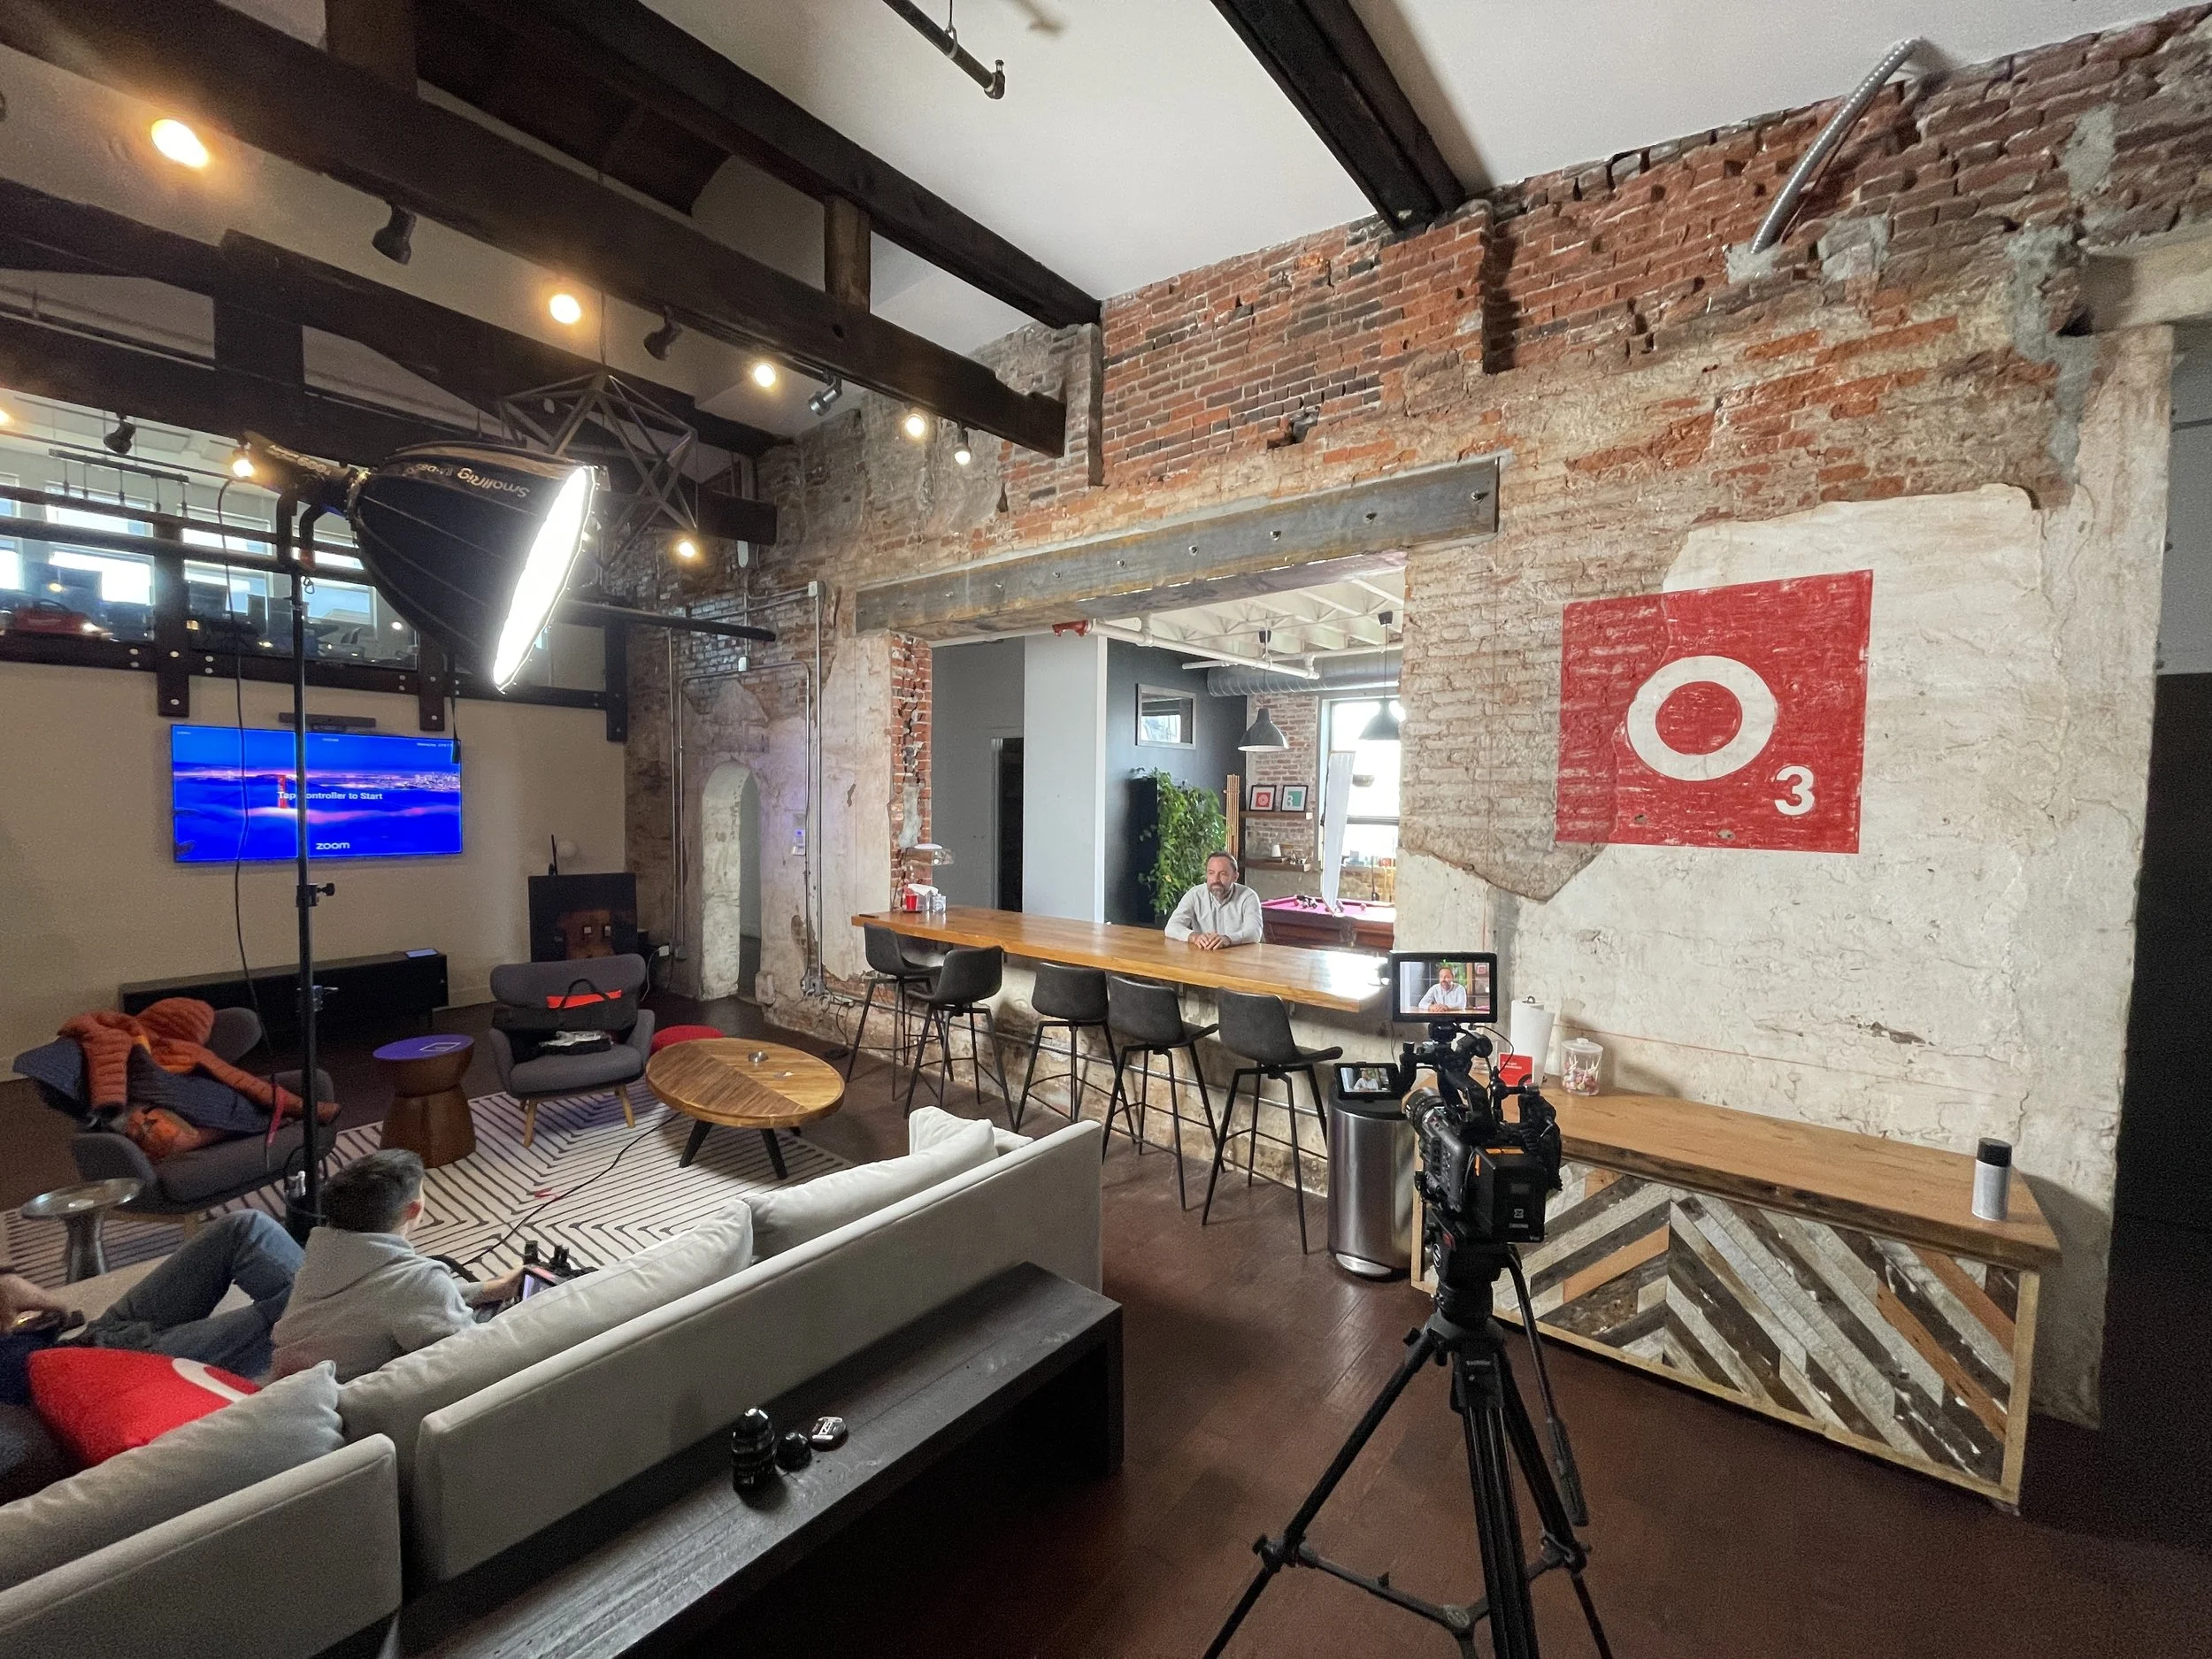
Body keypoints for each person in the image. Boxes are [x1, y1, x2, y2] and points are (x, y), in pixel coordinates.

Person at [0, 1150, 521, 1384]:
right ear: (415, 1210)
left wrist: (478, 1289)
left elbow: (401, 1291)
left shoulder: (355, 1263)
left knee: (246, 1227)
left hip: (88, 1338)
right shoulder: (412, 1287)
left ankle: (99, 1335)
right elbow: (464, 1355)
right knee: (313, 1306)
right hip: (104, 1366)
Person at [1164, 851, 1263, 952]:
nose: (1216, 880)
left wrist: (1228, 939)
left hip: (1237, 959)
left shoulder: (1248, 896)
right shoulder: (1195, 894)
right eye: (1211, 873)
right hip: (1202, 958)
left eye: (1223, 874)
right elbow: (1172, 927)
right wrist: (1194, 937)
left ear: (1235, 877)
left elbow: (1254, 932)